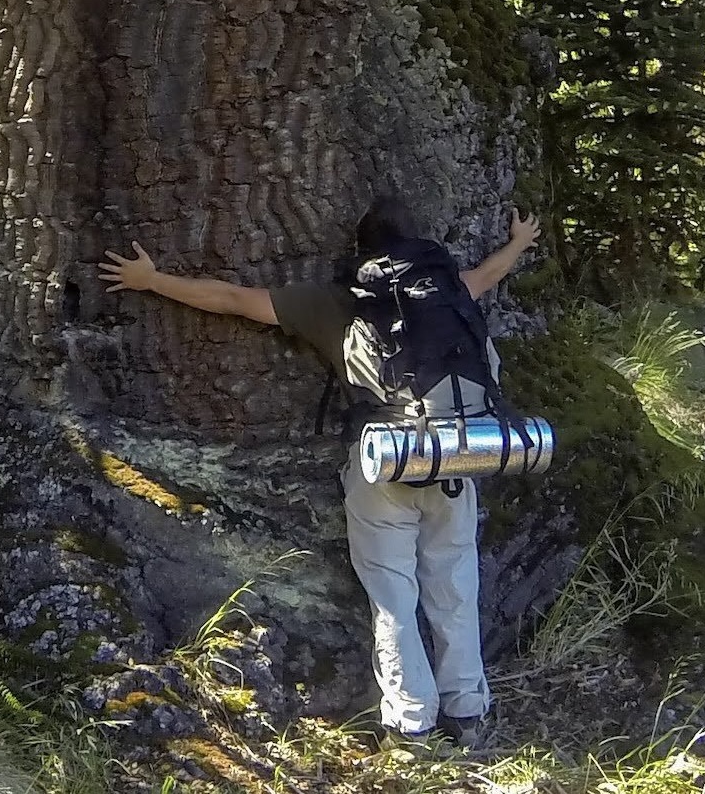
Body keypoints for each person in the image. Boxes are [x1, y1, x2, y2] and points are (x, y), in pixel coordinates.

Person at [98, 197, 542, 751]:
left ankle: (411, 725)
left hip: (386, 461)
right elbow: (490, 273)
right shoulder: (448, 292)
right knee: (455, 585)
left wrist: (152, 279)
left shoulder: (336, 301)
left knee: (394, 596)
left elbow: (233, 299)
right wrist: (519, 242)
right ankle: (468, 712)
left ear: (361, 253)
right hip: (461, 452)